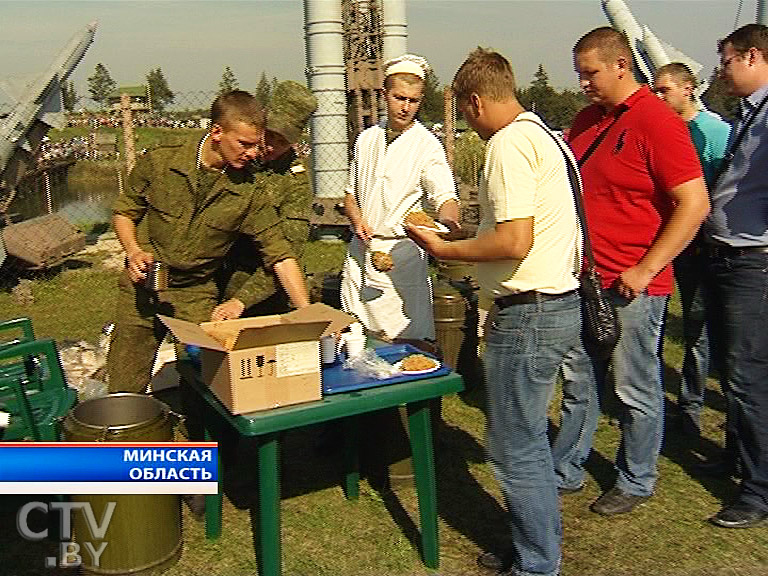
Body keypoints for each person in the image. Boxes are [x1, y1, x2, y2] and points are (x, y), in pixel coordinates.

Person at [408, 47, 581, 576]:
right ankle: (534, 546)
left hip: (526, 312)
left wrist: (442, 250)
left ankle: (537, 563)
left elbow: (514, 240)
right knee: (525, 437)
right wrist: (467, 236)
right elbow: (525, 229)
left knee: (516, 446)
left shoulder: (506, 145)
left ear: (476, 101)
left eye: (462, 112)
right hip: (555, 302)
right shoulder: (543, 134)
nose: (464, 122)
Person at [550, 27, 709, 516]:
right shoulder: (586, 121)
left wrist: (647, 267)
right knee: (579, 379)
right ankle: (567, 468)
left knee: (633, 386)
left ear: (621, 65)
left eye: (589, 73)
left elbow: (694, 203)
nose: (583, 83)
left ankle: (636, 479)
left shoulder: (658, 122)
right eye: (579, 74)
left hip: (633, 285)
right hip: (585, 279)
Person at [107, 90, 310, 393]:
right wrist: (133, 251)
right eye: (245, 144)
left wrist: (307, 315)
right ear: (217, 132)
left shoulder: (248, 192)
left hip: (195, 292)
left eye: (258, 145)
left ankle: (201, 436)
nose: (254, 153)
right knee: (125, 382)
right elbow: (125, 211)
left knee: (210, 382)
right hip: (142, 288)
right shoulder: (162, 161)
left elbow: (281, 255)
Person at [340, 53, 460, 343]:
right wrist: (357, 219)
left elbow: (445, 195)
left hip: (401, 256)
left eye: (413, 101)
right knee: (355, 335)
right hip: (361, 252)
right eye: (399, 98)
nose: (406, 107)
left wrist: (447, 222)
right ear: (385, 95)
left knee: (403, 338)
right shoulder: (366, 139)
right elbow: (349, 194)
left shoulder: (426, 145)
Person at [704, 24, 768, 529]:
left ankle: (760, 487)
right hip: (732, 257)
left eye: (727, 61)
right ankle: (743, 459)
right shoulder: (752, 114)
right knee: (734, 370)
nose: (722, 70)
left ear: (753, 55)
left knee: (748, 376)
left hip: (754, 261)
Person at [652, 63, 731, 438]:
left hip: (700, 245)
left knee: (697, 327)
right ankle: (650, 401)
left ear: (687, 89)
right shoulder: (660, 129)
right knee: (654, 321)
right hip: (661, 242)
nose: (658, 96)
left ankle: (690, 407)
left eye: (665, 90)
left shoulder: (715, 132)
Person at [215, 81, 318, 319]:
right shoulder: (232, 155)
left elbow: (287, 252)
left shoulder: (295, 182)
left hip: (261, 287)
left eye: (282, 141)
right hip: (210, 277)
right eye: (269, 134)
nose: (271, 146)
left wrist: (242, 300)